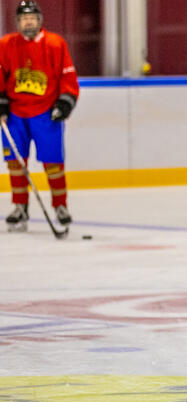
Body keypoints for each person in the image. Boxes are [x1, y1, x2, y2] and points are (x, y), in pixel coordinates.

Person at [1, 1, 79, 232]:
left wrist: (64, 104)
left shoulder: (55, 44)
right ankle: (20, 207)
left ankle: (60, 206)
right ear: (18, 22)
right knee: (15, 163)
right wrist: (1, 103)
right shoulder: (6, 44)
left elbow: (68, 78)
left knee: (53, 163)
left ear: (40, 20)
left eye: (33, 18)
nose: (29, 22)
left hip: (46, 113)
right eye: (24, 18)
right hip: (16, 114)